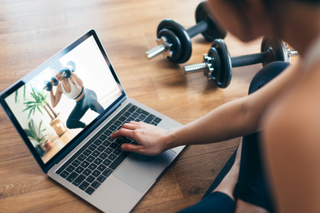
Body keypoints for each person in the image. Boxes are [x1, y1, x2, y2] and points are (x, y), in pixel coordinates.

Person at [111, 0, 320, 212]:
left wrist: (242, 200)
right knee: (273, 74)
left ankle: (229, 190)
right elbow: (248, 111)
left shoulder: (295, 122)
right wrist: (167, 138)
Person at [49, 60, 104, 129]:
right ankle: (87, 127)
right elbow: (54, 104)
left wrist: (70, 72)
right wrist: (50, 89)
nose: (55, 75)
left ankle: (106, 114)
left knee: (91, 103)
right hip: (80, 104)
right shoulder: (59, 87)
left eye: (55, 71)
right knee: (69, 124)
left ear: (61, 69)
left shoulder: (71, 77)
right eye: (53, 73)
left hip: (88, 95)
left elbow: (81, 85)